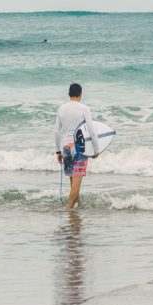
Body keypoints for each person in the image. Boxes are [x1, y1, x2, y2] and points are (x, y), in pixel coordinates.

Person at [54, 82, 94, 210]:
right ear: (81, 94)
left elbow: (56, 131)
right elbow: (91, 130)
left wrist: (58, 151)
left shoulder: (61, 109)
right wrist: (96, 150)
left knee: (73, 180)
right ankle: (69, 208)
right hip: (79, 148)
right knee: (77, 180)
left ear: (68, 94)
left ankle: (77, 206)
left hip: (66, 147)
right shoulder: (84, 108)